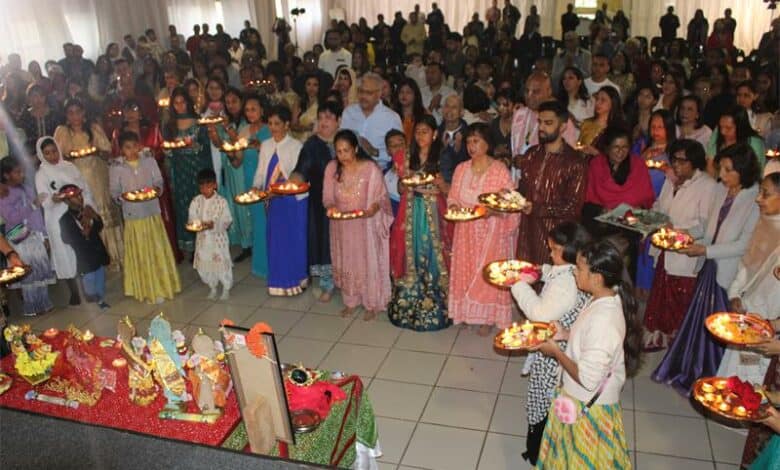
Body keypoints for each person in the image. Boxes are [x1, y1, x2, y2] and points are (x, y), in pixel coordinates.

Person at [653, 143, 760, 394]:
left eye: (727, 170)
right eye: (721, 168)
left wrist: (705, 250)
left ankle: (716, 377)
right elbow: (707, 229)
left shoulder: (753, 200)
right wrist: (683, 235)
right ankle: (695, 370)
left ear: (743, 172)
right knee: (701, 322)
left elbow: (743, 245)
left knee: (721, 326)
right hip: (709, 266)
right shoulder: (723, 192)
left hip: (729, 272)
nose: (721, 175)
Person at [532, 240, 640, 469]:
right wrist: (566, 334)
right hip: (577, 395)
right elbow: (590, 342)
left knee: (580, 459)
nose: (574, 272)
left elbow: (589, 379)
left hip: (586, 403)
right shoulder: (602, 298)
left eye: (580, 268)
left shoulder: (605, 321)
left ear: (597, 278)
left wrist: (555, 353)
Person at [511, 222, 591, 465]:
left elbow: (540, 314)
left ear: (569, 251)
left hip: (554, 354)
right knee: (543, 400)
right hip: (558, 345)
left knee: (543, 402)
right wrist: (537, 270)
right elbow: (551, 271)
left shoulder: (567, 283)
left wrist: (516, 283)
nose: (550, 254)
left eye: (554, 250)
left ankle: (540, 452)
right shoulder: (569, 271)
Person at [643, 139, 720, 350]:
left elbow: (704, 226)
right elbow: (660, 205)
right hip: (665, 248)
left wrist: (676, 233)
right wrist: (654, 218)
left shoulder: (708, 186)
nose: (676, 165)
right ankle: (659, 337)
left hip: (686, 251)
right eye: (674, 159)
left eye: (682, 161)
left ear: (694, 163)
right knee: (661, 295)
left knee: (679, 299)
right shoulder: (671, 180)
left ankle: (679, 344)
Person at [448, 123, 519, 335]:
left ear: (487, 144)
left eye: (476, 141)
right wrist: (453, 205)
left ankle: (488, 317)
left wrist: (494, 212)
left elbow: (511, 204)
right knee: (466, 270)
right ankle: (468, 311)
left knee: (487, 272)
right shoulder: (461, 169)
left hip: (491, 232)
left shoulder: (499, 170)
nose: (471, 146)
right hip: (466, 232)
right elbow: (453, 196)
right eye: (469, 141)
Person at [388, 115, 453, 331]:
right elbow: (399, 188)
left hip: (435, 211)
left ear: (435, 134)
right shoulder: (406, 157)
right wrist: (404, 184)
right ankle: (408, 303)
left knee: (435, 254)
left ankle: (437, 304)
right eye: (417, 132)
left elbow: (449, 191)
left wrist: (438, 184)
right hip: (411, 211)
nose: (420, 136)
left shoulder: (445, 155)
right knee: (411, 253)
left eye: (425, 131)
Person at [718, 171, 780, 385]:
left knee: (751, 374)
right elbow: (747, 263)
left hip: (769, 319)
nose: (757, 198)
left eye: (766, 194)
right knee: (734, 366)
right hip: (749, 308)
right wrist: (735, 294)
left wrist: (773, 323)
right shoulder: (765, 223)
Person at [323, 129, 393, 320]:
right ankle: (350, 301)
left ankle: (371, 303)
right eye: (339, 151)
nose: (343, 156)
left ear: (355, 148)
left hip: (365, 225)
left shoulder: (370, 169)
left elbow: (381, 197)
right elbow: (328, 198)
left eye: (346, 150)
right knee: (347, 261)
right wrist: (331, 208)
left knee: (365, 260)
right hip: (342, 226)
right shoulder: (332, 168)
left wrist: (373, 209)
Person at [109, 131, 180, 304]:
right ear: (121, 150)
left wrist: (156, 190)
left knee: (155, 249)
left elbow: (159, 182)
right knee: (141, 251)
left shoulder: (149, 161)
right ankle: (145, 288)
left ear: (139, 145)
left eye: (135, 146)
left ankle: (162, 285)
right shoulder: (116, 168)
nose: (132, 151)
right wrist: (123, 197)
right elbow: (114, 192)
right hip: (133, 216)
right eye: (127, 148)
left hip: (151, 212)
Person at [53, 98, 124, 270]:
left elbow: (108, 153)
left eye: (78, 112)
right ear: (66, 116)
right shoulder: (62, 132)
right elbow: (56, 158)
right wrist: (69, 157)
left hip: (97, 176)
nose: (75, 116)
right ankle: (93, 257)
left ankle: (114, 255)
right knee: (84, 210)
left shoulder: (93, 129)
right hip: (76, 180)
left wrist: (97, 151)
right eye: (71, 113)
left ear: (84, 113)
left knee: (102, 209)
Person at [516, 101, 588, 266]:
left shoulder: (575, 162)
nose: (541, 128)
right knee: (526, 278)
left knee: (551, 286)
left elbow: (573, 207)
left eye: (548, 123)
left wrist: (537, 208)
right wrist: (508, 197)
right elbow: (523, 190)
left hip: (557, 238)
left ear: (563, 127)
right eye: (539, 122)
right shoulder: (531, 155)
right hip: (528, 232)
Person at [113, 98, 181, 263]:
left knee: (161, 216)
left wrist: (150, 154)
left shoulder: (152, 129)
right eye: (127, 110)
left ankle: (166, 255)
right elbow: (115, 158)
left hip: (152, 176)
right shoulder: (118, 134)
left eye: (134, 108)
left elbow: (161, 150)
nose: (130, 114)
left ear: (141, 111)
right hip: (131, 180)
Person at [252, 105, 307, 296]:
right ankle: (278, 281)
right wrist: (256, 187)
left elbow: (297, 175)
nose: (273, 127)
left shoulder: (296, 146)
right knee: (275, 240)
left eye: (277, 123)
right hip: (272, 200)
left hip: (291, 200)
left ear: (286, 125)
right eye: (270, 123)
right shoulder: (266, 145)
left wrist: (281, 190)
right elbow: (261, 172)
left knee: (291, 240)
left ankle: (294, 280)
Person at [290, 101, 342, 301]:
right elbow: (300, 171)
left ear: (339, 121)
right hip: (320, 204)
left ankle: (350, 281)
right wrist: (286, 186)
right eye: (320, 118)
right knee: (324, 241)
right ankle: (327, 284)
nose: (323, 122)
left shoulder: (346, 140)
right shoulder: (311, 145)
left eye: (329, 118)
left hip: (347, 202)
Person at [0, 158, 55, 316]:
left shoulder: (27, 188)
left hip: (34, 235)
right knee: (28, 274)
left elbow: (37, 214)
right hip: (19, 238)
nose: (22, 175)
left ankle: (44, 302)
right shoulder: (3, 194)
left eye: (22, 171)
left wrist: (43, 235)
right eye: (17, 172)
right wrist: (31, 206)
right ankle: (32, 306)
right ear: (6, 175)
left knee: (39, 269)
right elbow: (11, 217)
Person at [163, 86, 215, 255]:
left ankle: (206, 243)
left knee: (200, 203)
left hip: (196, 168)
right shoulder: (170, 125)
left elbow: (206, 147)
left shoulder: (198, 122)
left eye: (182, 102)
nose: (179, 106)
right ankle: (191, 246)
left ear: (188, 102)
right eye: (176, 103)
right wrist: (169, 150)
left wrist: (195, 146)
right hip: (179, 170)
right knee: (184, 205)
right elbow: (167, 149)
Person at [236, 94, 272, 278]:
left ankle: (272, 263)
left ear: (262, 110)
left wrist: (260, 147)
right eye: (247, 110)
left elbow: (275, 155)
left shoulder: (270, 129)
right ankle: (261, 264)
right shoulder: (243, 131)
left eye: (254, 109)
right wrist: (232, 151)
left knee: (268, 221)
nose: (250, 113)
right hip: (250, 178)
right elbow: (237, 161)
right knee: (257, 221)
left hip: (267, 179)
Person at [59, 184, 110, 310]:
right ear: (66, 201)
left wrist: (95, 217)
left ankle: (100, 299)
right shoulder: (65, 219)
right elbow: (66, 238)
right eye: (75, 197)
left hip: (97, 252)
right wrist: (82, 235)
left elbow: (99, 227)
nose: (80, 198)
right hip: (84, 257)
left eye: (79, 195)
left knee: (100, 279)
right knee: (89, 282)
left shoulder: (87, 210)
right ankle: (92, 297)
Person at [341, 72, 403, 171]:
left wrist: (374, 151)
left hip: (380, 172)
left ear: (379, 93)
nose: (363, 96)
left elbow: (400, 153)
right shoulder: (349, 112)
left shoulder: (391, 118)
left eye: (368, 93)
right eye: (361, 91)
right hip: (348, 170)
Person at [188, 169, 233, 300]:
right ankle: (212, 286)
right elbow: (192, 217)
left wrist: (214, 225)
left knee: (221, 264)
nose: (205, 190)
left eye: (208, 186)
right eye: (201, 186)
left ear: (214, 185)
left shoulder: (221, 202)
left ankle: (226, 287)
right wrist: (196, 224)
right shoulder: (196, 201)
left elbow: (227, 220)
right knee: (204, 264)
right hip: (202, 241)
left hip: (218, 241)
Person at [706, 107, 767, 176]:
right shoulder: (717, 133)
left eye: (728, 128)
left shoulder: (754, 143)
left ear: (740, 127)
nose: (723, 132)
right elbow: (710, 165)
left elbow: (756, 173)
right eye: (721, 127)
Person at [578, 86, 626, 157]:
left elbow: (620, 155)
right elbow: (579, 146)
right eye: (597, 99)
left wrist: (596, 153)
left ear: (613, 103)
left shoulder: (618, 128)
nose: (597, 103)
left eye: (603, 100)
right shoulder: (586, 123)